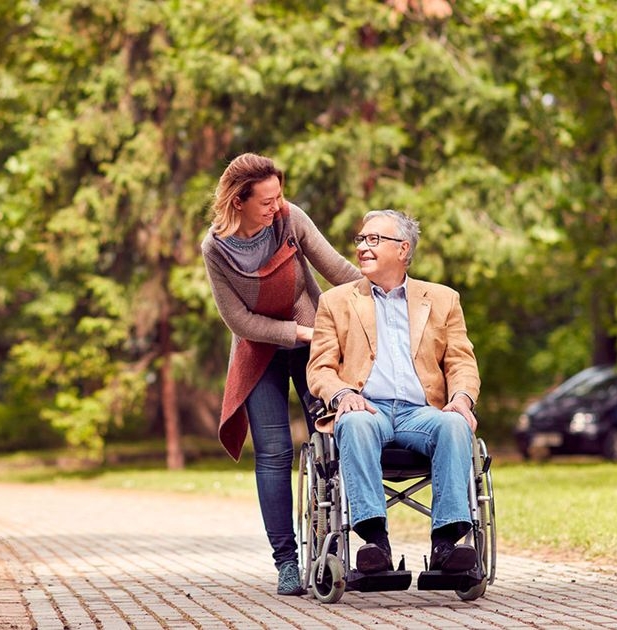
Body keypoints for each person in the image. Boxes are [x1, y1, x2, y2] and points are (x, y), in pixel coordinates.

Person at [201, 153, 361, 595]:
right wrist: (299, 333)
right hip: (260, 348)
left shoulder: (290, 219)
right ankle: (287, 563)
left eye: (278, 196)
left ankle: (341, 541)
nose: (276, 206)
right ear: (238, 201)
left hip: (310, 335)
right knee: (273, 453)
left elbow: (338, 271)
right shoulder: (215, 249)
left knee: (331, 435)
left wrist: (389, 295)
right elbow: (240, 322)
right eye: (265, 201)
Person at [306, 209, 481, 576]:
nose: (363, 248)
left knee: (455, 425)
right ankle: (374, 543)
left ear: (403, 250)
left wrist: (462, 399)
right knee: (353, 422)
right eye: (361, 240)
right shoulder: (336, 302)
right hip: (367, 408)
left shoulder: (443, 299)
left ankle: (447, 546)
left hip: (422, 412)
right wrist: (341, 395)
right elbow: (320, 368)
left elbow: (461, 362)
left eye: (374, 240)